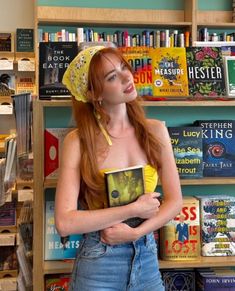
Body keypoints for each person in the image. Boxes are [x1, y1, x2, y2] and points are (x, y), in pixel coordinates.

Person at [55, 45, 183, 291]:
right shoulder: (78, 141)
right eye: (112, 77)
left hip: (146, 256)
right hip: (99, 261)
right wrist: (133, 209)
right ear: (94, 94)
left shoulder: (155, 130)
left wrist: (136, 233)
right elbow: (65, 222)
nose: (127, 77)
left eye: (124, 67)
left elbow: (175, 201)